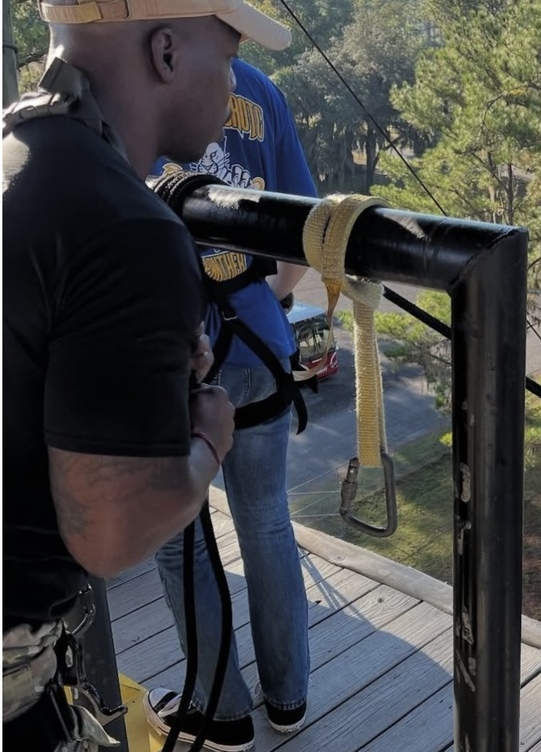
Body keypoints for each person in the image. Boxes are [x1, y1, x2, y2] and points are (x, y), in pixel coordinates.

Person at [2, 1, 290, 750]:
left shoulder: (17, 157)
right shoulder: (127, 227)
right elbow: (111, 534)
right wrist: (205, 438)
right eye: (226, 60)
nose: (233, 89)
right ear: (166, 52)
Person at [143, 58, 317, 752]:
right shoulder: (263, 92)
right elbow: (299, 237)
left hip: (173, 357)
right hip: (262, 349)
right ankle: (288, 696)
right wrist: (246, 297)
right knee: (268, 523)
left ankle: (222, 709)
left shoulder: (136, 88)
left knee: (176, 540)